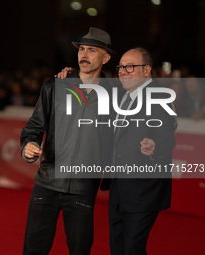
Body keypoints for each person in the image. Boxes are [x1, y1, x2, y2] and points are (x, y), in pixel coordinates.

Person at [58, 47, 176, 255]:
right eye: (121, 67)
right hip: (118, 187)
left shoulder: (159, 97)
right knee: (118, 247)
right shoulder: (122, 94)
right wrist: (73, 75)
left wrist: (155, 145)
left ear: (146, 70)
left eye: (130, 67)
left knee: (132, 248)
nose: (123, 71)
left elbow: (167, 134)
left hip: (144, 188)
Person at [20, 27, 115, 255]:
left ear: (106, 57)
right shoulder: (54, 86)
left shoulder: (114, 97)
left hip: (83, 189)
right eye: (82, 49)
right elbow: (33, 128)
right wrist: (28, 146)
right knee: (34, 250)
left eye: (92, 50)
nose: (84, 54)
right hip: (46, 183)